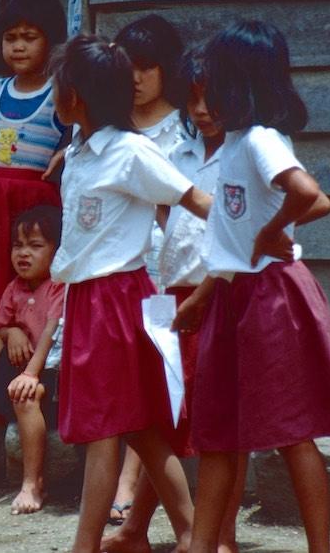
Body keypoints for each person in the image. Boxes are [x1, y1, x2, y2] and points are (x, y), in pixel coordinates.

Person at [182, 21, 330, 553]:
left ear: (238, 82)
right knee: (218, 433)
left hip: (273, 298)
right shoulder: (234, 144)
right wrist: (204, 295)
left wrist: (271, 230)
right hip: (232, 295)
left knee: (290, 432)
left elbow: (309, 194)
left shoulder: (261, 140)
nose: (206, 95)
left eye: (215, 79)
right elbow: (233, 239)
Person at [49, 35, 213, 553]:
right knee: (140, 428)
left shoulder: (131, 152)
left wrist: (256, 232)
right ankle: (190, 533)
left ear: (74, 94)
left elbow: (193, 199)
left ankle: (84, 546)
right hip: (87, 300)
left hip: (117, 302)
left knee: (105, 432)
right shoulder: (79, 153)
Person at [102, 48, 246, 553]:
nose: (202, 110)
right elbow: (169, 211)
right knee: (169, 419)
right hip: (178, 295)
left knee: (222, 425)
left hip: (223, 294)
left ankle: (221, 536)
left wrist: (204, 293)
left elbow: (240, 239)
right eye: (193, 99)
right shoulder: (182, 153)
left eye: (213, 99)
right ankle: (135, 530)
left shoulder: (244, 153)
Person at [107, 13, 188, 527]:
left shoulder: (184, 129)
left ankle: (131, 485)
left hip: (166, 265)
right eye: (127, 66)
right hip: (117, 268)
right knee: (128, 376)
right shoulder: (106, 125)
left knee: (159, 377)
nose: (135, 78)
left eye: (147, 66)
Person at [0, 0, 68, 330]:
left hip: (36, 199)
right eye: (10, 38)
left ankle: (30, 340)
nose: (18, 47)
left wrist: (63, 154)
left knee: (33, 268)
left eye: (29, 37)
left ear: (51, 42)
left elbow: (80, 132)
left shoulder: (59, 92)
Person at [0, 204, 65, 515]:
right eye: (18, 245)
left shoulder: (60, 286)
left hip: (50, 372)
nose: (24, 253)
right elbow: (0, 327)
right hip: (18, 367)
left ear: (57, 252)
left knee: (26, 398)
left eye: (35, 246)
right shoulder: (14, 287)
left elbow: (50, 336)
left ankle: (33, 483)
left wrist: (31, 375)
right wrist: (13, 332)